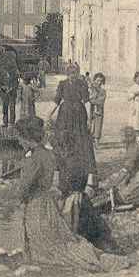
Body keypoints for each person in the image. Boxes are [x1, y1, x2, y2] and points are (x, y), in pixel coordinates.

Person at [0, 116, 106, 272]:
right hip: (47, 203)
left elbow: (23, 189)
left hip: (36, 206)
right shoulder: (48, 154)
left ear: (26, 138)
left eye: (19, 138)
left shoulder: (34, 159)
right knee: (54, 240)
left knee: (44, 246)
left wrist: (1, 190)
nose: (18, 142)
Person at [51, 63, 96, 195]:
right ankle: (64, 166)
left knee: (81, 140)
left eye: (74, 73)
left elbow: (86, 101)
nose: (72, 76)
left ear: (77, 74)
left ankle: (80, 167)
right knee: (63, 139)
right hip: (64, 115)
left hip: (78, 115)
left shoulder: (82, 84)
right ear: (67, 74)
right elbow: (56, 101)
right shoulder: (62, 84)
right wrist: (48, 114)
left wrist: (89, 119)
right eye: (70, 74)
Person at [94, 126, 139, 210]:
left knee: (121, 197)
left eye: (123, 137)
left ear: (128, 138)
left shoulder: (133, 150)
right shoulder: (134, 147)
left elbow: (125, 172)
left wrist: (109, 184)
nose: (121, 140)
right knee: (116, 192)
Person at [89, 73, 106, 146]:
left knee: (98, 125)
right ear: (94, 80)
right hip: (91, 109)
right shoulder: (91, 89)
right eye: (97, 80)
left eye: (100, 81)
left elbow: (101, 101)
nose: (99, 83)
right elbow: (89, 98)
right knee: (90, 123)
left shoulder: (103, 91)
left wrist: (93, 100)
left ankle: (97, 140)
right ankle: (90, 139)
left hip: (99, 110)